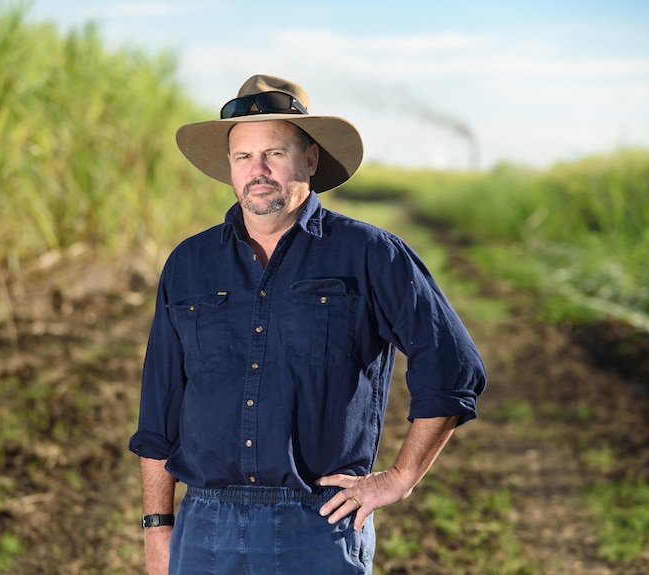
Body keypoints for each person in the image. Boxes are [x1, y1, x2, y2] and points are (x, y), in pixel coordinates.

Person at [129, 74, 486, 575]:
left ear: (310, 159)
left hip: (318, 525)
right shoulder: (189, 264)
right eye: (243, 157)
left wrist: (401, 478)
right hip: (205, 528)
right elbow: (159, 415)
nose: (258, 170)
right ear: (229, 168)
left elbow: (453, 366)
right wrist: (157, 528)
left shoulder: (370, 254)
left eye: (274, 153)